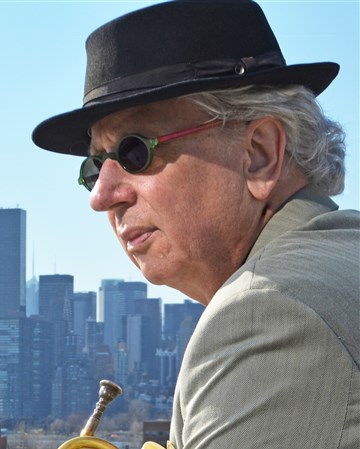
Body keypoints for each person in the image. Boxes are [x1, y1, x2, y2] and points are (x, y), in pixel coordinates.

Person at [32, 1, 359, 448]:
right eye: (95, 167)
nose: (101, 196)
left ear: (260, 154)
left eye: (134, 152)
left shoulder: (269, 313)